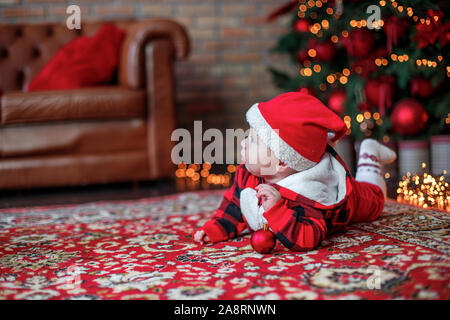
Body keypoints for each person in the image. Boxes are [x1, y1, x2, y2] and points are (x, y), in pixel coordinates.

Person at [193, 92, 396, 251]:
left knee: (375, 198)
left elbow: (311, 237)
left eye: (253, 141)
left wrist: (278, 211)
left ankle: (369, 153)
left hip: (355, 200)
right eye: (249, 136)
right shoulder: (248, 174)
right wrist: (214, 229)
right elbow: (234, 205)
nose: (244, 143)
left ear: (281, 162)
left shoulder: (309, 192)